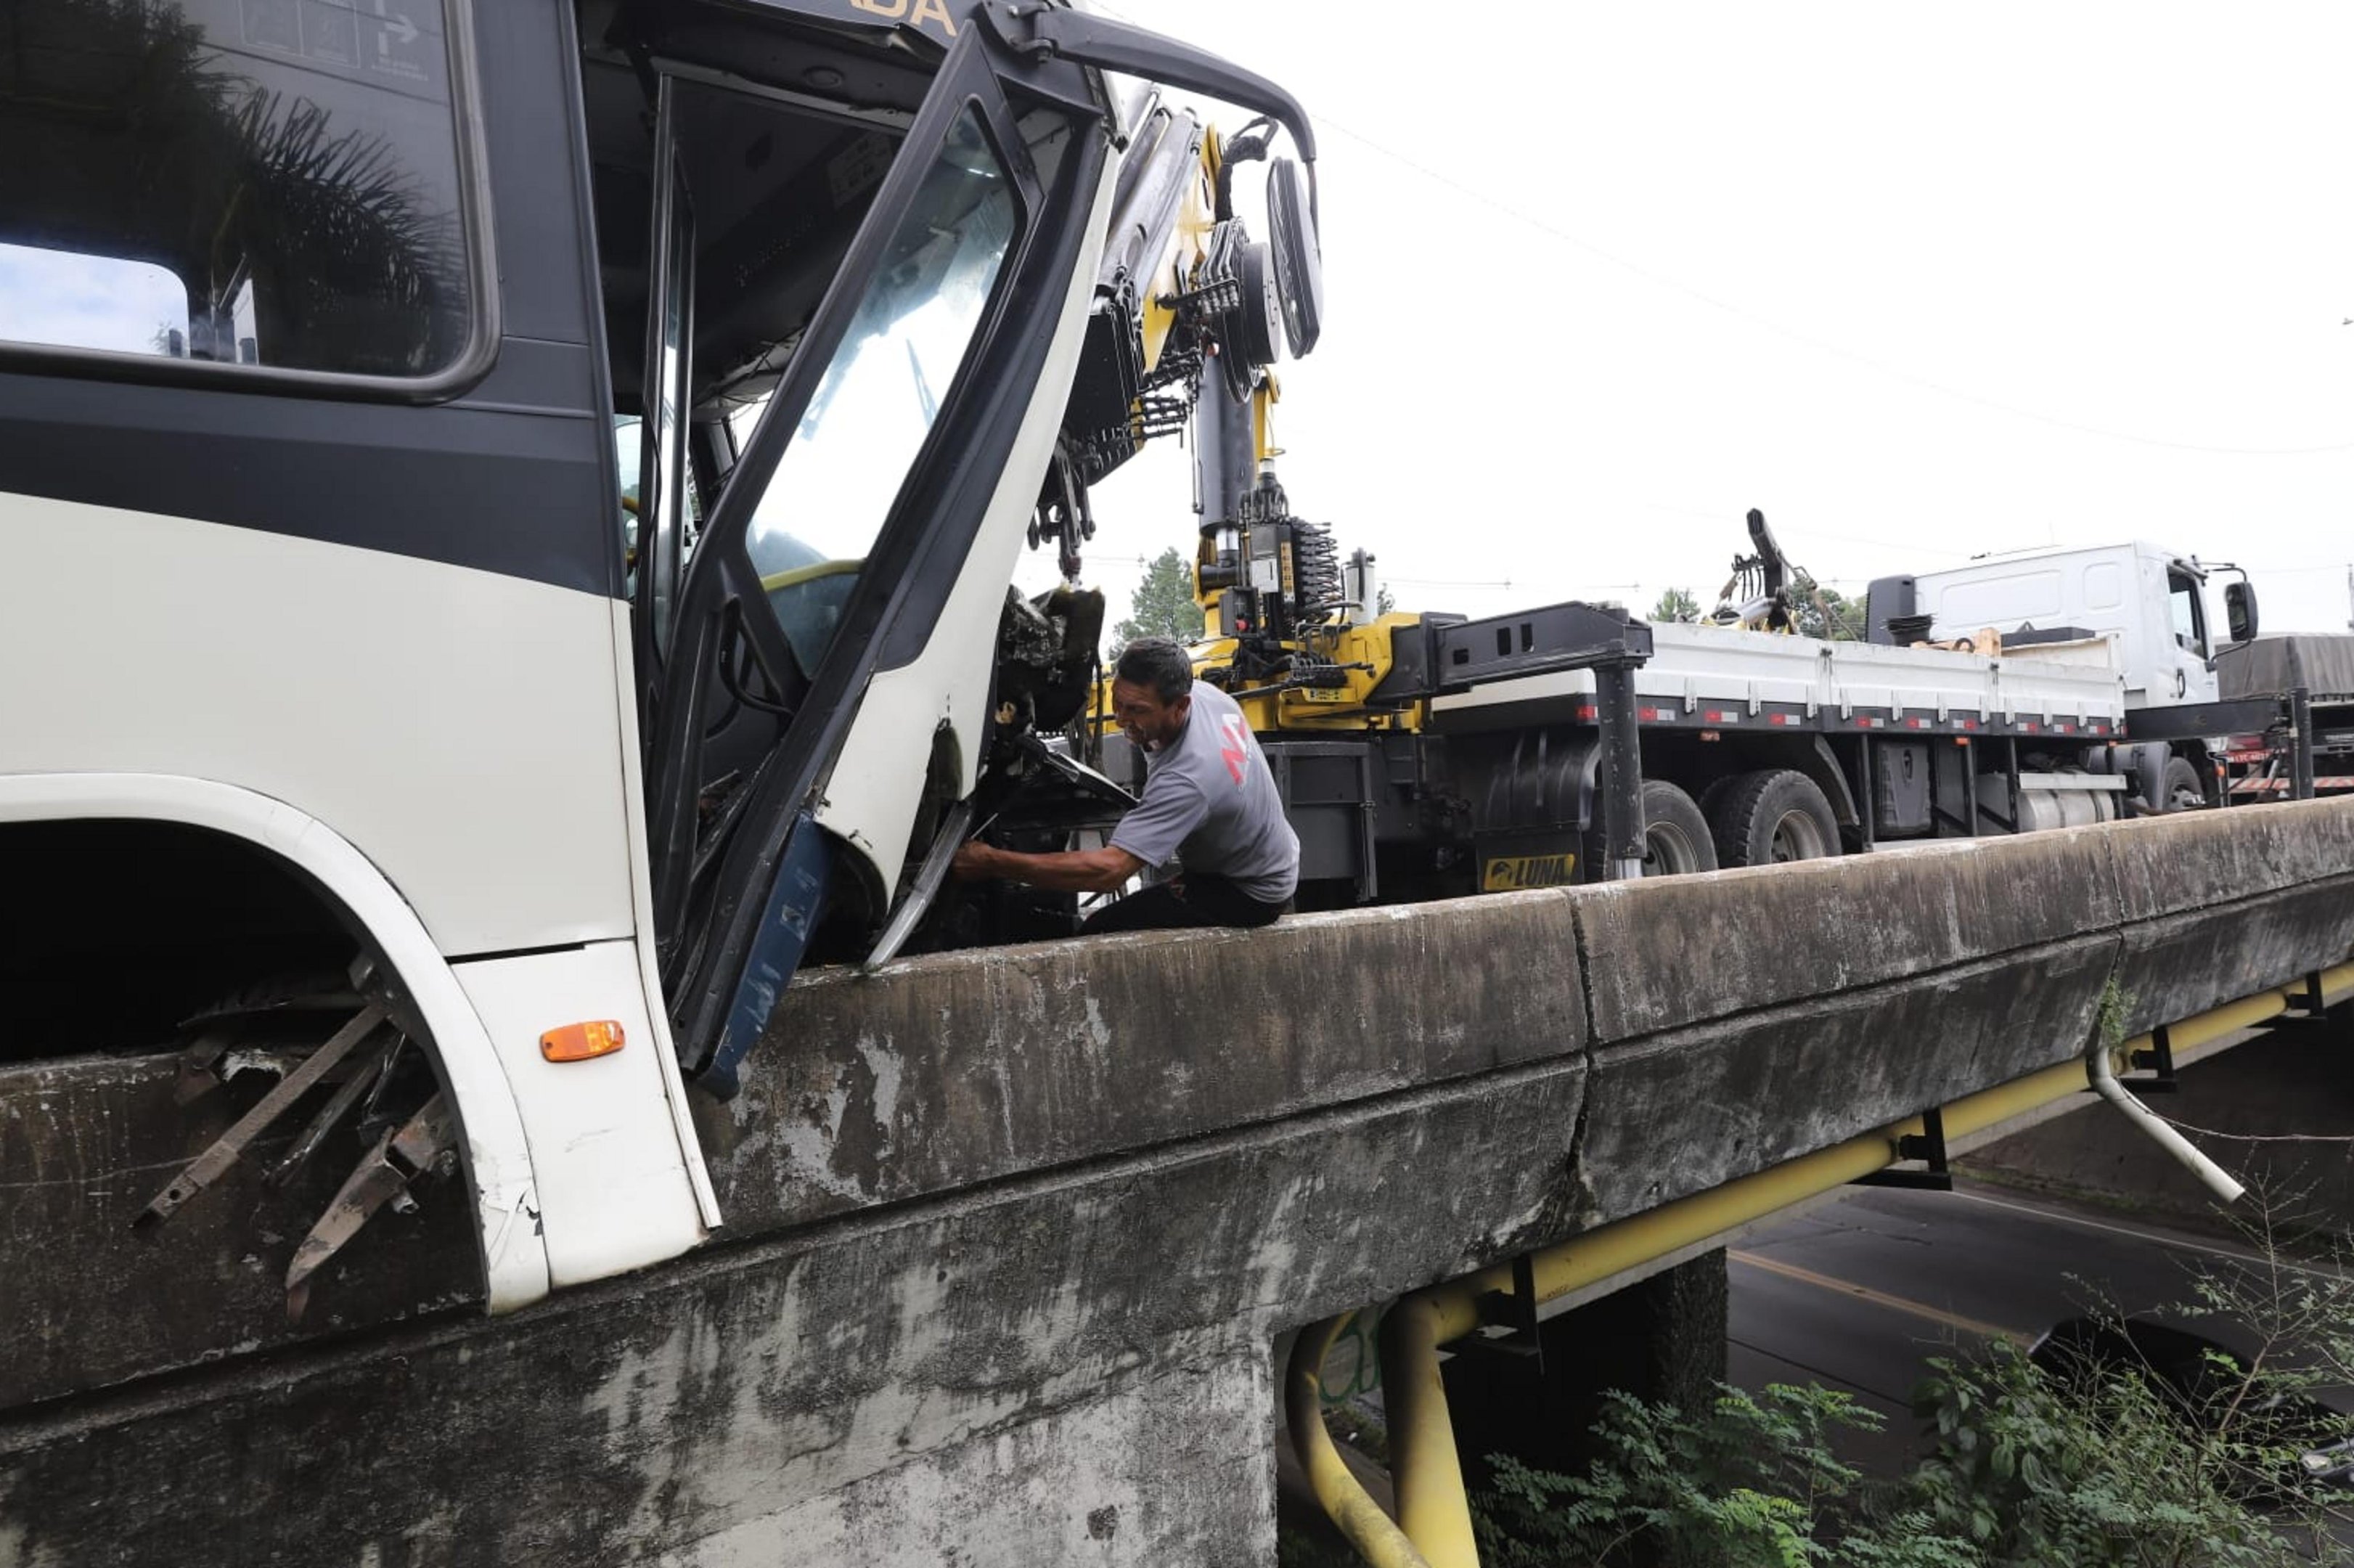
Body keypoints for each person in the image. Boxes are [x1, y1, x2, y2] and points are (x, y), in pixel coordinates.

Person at [951, 637, 1299, 934]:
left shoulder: (1189, 778)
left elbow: (1109, 872)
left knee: (1099, 931)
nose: (1120, 718)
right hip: (1264, 859)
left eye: (1137, 710)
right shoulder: (1208, 696)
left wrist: (992, 861)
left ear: (1180, 706)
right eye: (1118, 702)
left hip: (1249, 892)